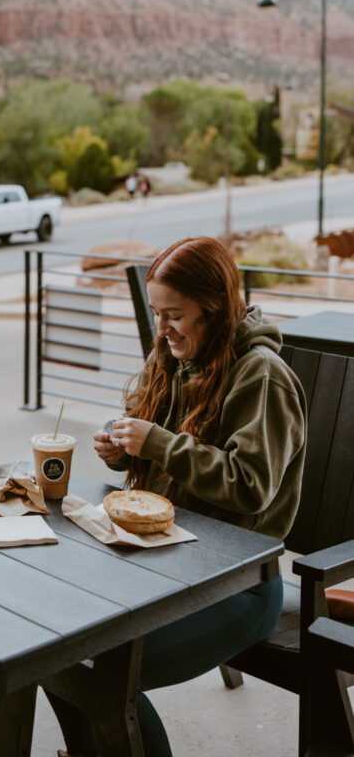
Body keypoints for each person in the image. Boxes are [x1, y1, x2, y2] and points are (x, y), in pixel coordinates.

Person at [47, 236, 307, 757]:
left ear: (213, 310)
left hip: (236, 585)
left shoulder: (261, 376)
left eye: (174, 315)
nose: (161, 329)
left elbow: (251, 486)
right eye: (155, 313)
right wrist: (123, 451)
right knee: (49, 645)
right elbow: (155, 446)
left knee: (95, 673)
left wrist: (159, 444)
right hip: (162, 564)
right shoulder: (174, 358)